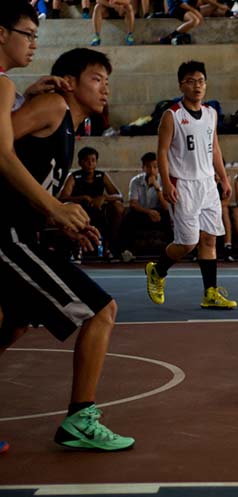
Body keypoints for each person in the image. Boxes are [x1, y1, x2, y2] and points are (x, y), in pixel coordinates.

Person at [0, 17, 134, 451]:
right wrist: (54, 207)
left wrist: (60, 222)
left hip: (22, 233)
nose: (105, 88)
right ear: (70, 82)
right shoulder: (54, 107)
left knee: (14, 323)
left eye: (107, 80)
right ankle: (80, 419)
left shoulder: (68, 127)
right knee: (100, 310)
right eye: (96, 79)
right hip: (6, 236)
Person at [145, 60, 237, 309]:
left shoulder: (211, 113)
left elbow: (214, 147)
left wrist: (223, 177)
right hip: (183, 184)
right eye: (191, 81)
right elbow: (162, 152)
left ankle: (210, 293)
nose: (197, 86)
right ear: (181, 85)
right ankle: (158, 270)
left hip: (207, 184)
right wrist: (166, 183)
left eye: (201, 81)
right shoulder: (172, 115)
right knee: (188, 243)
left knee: (210, 239)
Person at [59, 146, 125, 260]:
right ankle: (75, 248)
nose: (90, 163)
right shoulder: (74, 177)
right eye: (86, 160)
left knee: (118, 207)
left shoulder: (101, 176)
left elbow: (119, 196)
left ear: (96, 162)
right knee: (66, 209)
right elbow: (63, 198)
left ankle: (110, 247)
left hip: (99, 211)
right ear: (80, 163)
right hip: (80, 211)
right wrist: (82, 198)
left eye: (93, 160)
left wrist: (104, 198)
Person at [120, 151, 171, 261]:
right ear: (143, 168)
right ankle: (126, 251)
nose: (152, 170)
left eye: (155, 167)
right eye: (148, 167)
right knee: (128, 216)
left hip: (159, 213)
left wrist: (158, 189)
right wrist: (148, 212)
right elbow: (133, 203)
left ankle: (171, 252)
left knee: (170, 216)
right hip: (142, 212)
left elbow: (166, 207)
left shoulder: (164, 180)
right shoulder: (135, 181)